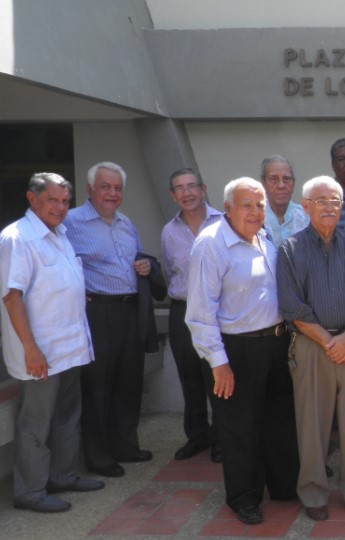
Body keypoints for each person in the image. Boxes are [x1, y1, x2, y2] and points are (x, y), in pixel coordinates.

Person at [185, 178, 300, 525]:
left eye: (260, 204)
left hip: (274, 343)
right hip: (236, 350)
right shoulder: (210, 245)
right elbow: (200, 314)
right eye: (247, 204)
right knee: (240, 428)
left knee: (278, 421)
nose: (255, 211)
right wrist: (219, 363)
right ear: (228, 208)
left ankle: (282, 486)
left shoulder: (263, 237)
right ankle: (244, 497)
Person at [278, 176, 345, 521]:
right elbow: (293, 307)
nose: (330, 207)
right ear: (305, 206)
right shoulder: (290, 250)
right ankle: (314, 493)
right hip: (310, 347)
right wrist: (328, 342)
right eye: (322, 201)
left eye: (336, 201)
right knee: (312, 424)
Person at [1, 173, 104, 513]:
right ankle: (29, 492)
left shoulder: (59, 234)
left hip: (70, 346)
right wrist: (31, 348)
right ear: (33, 200)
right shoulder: (18, 238)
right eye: (53, 200)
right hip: (40, 351)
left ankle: (63, 475)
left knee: (67, 416)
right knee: (36, 423)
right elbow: (11, 296)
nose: (61, 208)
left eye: (65, 201)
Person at [64, 162, 154, 478]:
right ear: (90, 190)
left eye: (117, 188)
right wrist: (75, 288)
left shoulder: (126, 223)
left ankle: (125, 446)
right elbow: (58, 258)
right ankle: (99, 456)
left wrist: (144, 265)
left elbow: (138, 257)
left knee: (128, 382)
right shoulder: (71, 221)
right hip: (98, 312)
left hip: (130, 311)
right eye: (105, 186)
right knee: (97, 385)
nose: (112, 194)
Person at [160, 168, 224, 463]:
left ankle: (223, 438)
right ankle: (198, 436)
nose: (186, 193)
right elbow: (168, 271)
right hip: (182, 311)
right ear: (173, 196)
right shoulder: (169, 231)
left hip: (216, 313)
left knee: (218, 377)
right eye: (179, 189)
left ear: (203, 188)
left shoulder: (224, 223)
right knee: (189, 378)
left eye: (191, 186)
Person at [260, 155, 308, 247]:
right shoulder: (254, 217)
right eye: (274, 179)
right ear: (263, 183)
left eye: (286, 179)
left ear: (293, 184)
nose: (281, 185)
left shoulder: (307, 218)